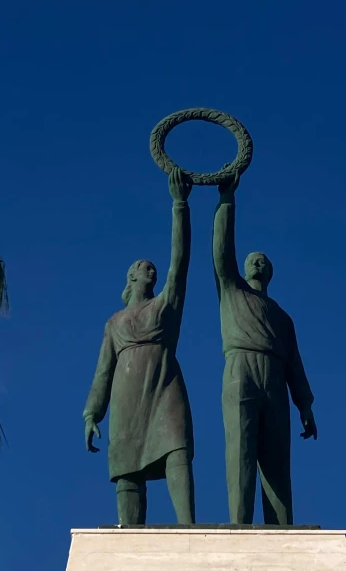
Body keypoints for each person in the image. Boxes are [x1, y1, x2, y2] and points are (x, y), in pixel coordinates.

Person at [83, 168, 195, 525]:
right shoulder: (114, 322)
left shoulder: (166, 305)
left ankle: (189, 527)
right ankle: (129, 534)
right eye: (142, 266)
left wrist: (180, 204)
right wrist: (91, 413)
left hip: (164, 382)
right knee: (127, 466)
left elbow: (180, 262)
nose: (151, 269)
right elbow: (103, 372)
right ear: (130, 277)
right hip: (126, 393)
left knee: (177, 446)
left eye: (152, 268)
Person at [212, 172, 317, 525]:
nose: (258, 262)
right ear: (242, 268)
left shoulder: (283, 318)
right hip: (240, 368)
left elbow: (296, 367)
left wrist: (304, 404)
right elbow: (221, 251)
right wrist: (227, 202)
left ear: (271, 271)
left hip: (274, 376)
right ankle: (239, 526)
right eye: (252, 259)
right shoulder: (232, 291)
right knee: (240, 452)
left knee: (276, 460)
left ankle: (281, 529)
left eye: (264, 260)